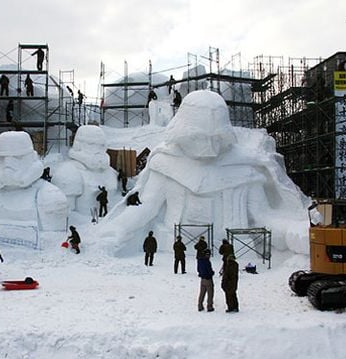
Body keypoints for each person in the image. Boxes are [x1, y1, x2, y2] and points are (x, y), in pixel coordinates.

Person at [94, 90, 311, 256]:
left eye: (216, 139)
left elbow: (263, 218)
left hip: (235, 256)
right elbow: (147, 208)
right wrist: (116, 230)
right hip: (172, 257)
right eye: (199, 138)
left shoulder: (245, 168)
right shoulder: (166, 163)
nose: (209, 148)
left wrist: (295, 233)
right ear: (182, 132)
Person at [0, 131, 68, 231]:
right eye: (2, 158)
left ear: (31, 157)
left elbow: (53, 239)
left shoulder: (49, 196)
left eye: (17, 158)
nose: (8, 164)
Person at [52, 125, 118, 214]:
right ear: (78, 145)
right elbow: (67, 211)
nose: (98, 150)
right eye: (92, 144)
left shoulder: (110, 171)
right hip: (85, 223)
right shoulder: (69, 172)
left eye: (101, 145)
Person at [197, 247, 214, 312]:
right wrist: (212, 273)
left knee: (202, 293)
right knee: (210, 293)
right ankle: (209, 306)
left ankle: (200, 305)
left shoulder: (200, 260)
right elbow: (209, 270)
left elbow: (198, 269)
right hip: (208, 279)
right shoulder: (207, 261)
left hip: (202, 279)